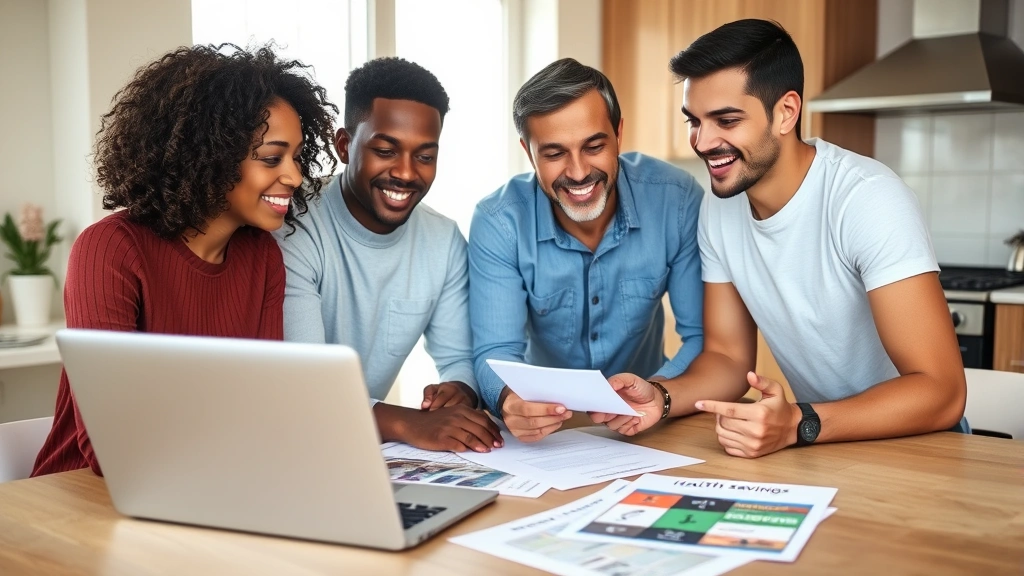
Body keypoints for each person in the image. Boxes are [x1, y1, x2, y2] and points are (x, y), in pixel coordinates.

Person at [591, 19, 967, 457]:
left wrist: (800, 423)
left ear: (786, 112)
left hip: (922, 445)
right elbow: (727, 358)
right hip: (823, 442)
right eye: (694, 121)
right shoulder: (721, 204)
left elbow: (942, 392)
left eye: (726, 120)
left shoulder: (867, 199)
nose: (703, 140)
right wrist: (662, 395)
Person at [32, 44, 338, 476]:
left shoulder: (262, 256)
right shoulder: (110, 250)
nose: (294, 176)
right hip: (77, 499)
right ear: (211, 154)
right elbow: (110, 446)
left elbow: (264, 408)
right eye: (272, 157)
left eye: (295, 156)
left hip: (205, 483)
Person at [470, 58, 708, 442]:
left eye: (594, 146)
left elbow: (702, 337)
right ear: (528, 154)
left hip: (651, 423)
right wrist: (510, 400)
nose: (579, 172)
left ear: (618, 133)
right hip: (547, 431)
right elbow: (496, 352)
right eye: (554, 154)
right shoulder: (499, 221)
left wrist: (658, 394)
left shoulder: (675, 200)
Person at [275, 57, 502, 454]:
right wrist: (410, 423)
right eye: (385, 150)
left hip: (355, 448)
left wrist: (459, 392)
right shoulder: (292, 225)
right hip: (288, 442)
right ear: (344, 145)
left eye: (425, 156)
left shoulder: (443, 239)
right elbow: (305, 385)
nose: (406, 173)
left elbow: (461, 358)